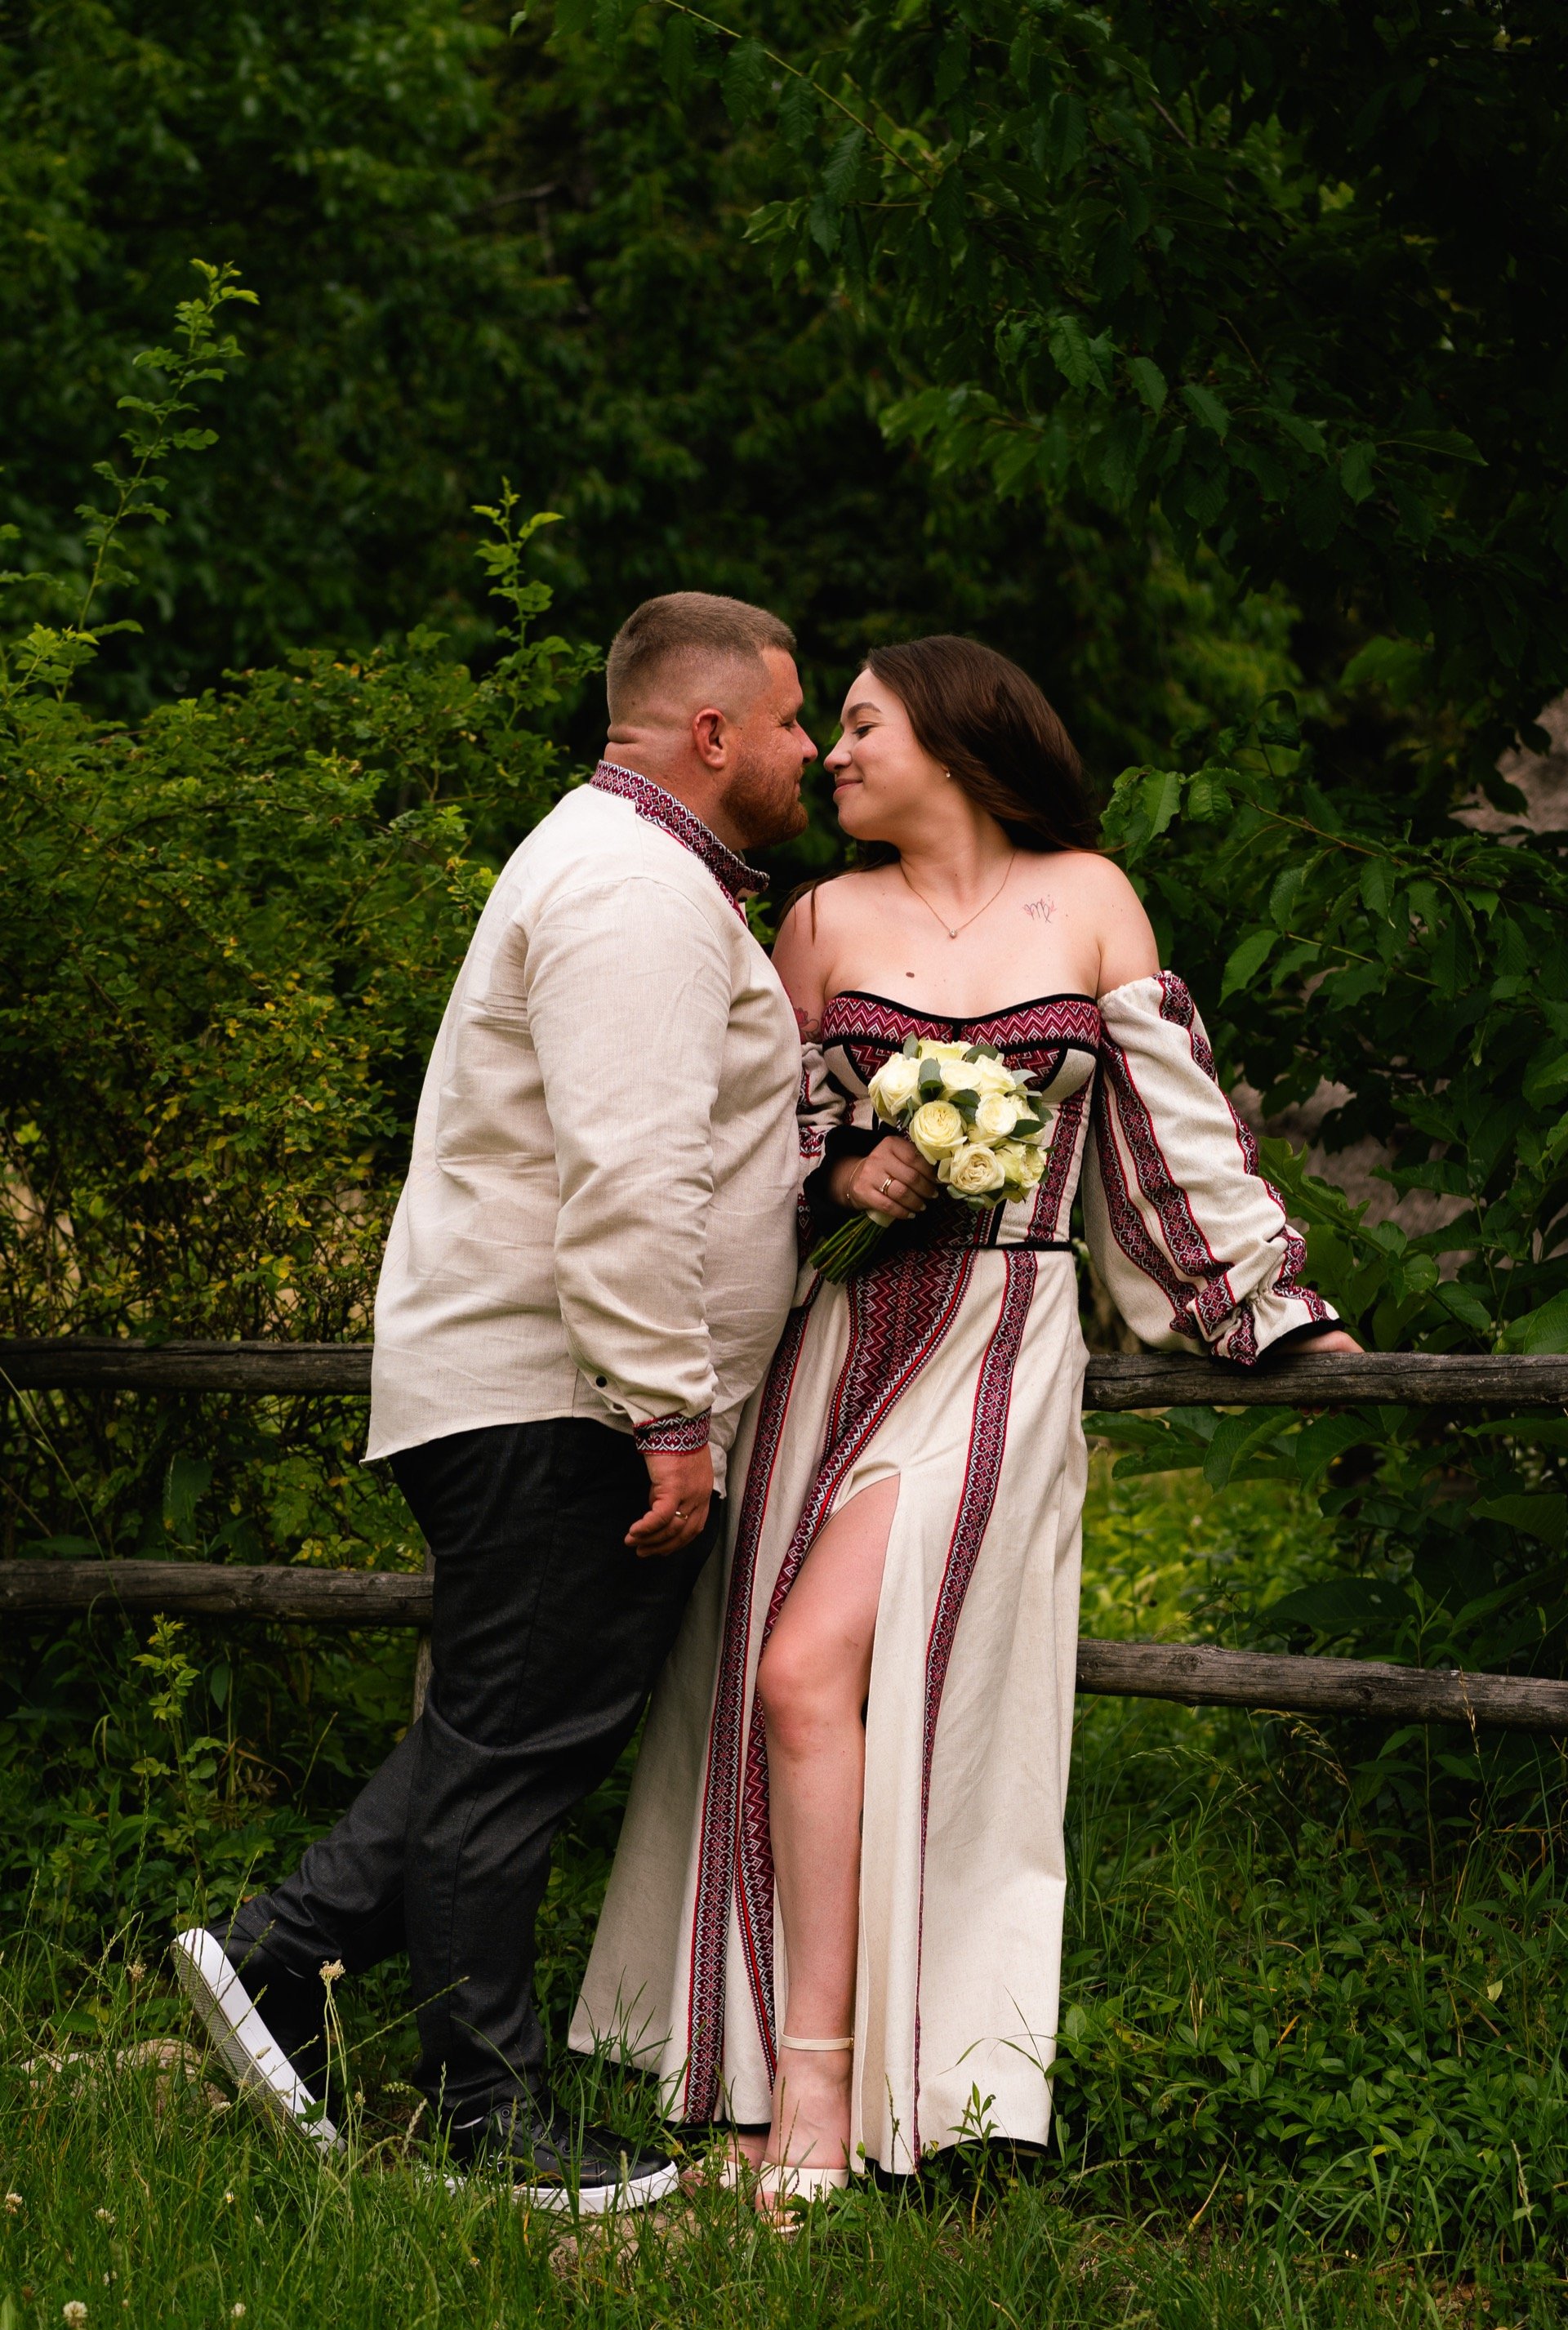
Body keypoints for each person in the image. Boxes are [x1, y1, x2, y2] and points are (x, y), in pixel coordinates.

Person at [572, 634, 1360, 2211]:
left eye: (857, 727)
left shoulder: (1090, 897)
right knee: (787, 1689)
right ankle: (789, 2100)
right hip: (841, 1341)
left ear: (955, 734)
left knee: (817, 1670)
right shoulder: (815, 920)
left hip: (1002, 1340)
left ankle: (846, 2106)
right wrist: (843, 1174)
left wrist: (1266, 1300)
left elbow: (1167, 1133)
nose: (833, 758)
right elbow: (756, 1146)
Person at [172, 591, 817, 2210]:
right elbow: (623, 1173)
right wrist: (669, 1409)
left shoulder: (633, 873)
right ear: (713, 731)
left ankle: (273, 1969)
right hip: (564, 1400)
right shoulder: (632, 888)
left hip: (552, 1389)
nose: (811, 751)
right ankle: (489, 2116)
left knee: (501, 1732)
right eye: (797, 721)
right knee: (519, 1751)